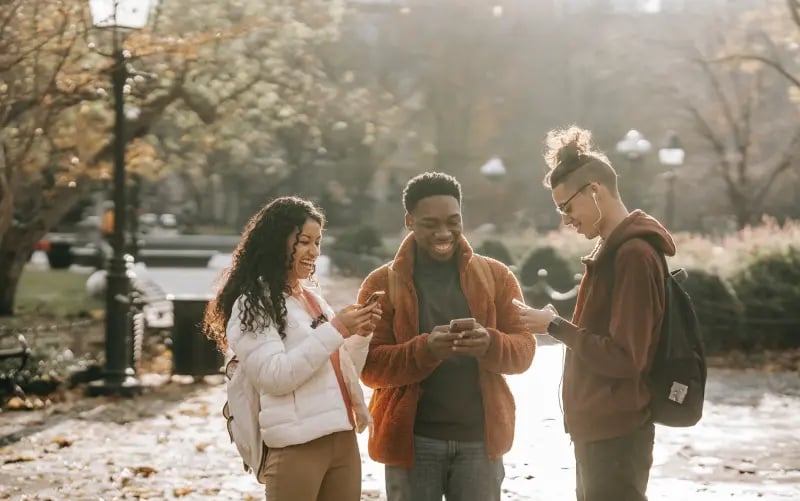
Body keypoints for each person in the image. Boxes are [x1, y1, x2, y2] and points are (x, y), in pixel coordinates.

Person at [516, 126, 677, 501]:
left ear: (594, 191)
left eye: (567, 208)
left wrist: (554, 325)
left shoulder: (633, 255)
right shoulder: (614, 250)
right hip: (601, 428)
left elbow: (625, 357)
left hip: (617, 431)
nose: (566, 220)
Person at [357, 172, 536, 501]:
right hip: (411, 444)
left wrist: (490, 343)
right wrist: (424, 349)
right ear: (410, 221)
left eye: (453, 221)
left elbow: (524, 350)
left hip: (481, 442)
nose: (444, 232)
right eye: (430, 223)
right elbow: (368, 367)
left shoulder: (496, 276)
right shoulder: (381, 283)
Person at [204, 196, 380, 501]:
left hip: (341, 437)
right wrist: (337, 328)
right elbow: (275, 376)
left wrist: (359, 334)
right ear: (277, 242)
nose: (313, 251)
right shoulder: (254, 303)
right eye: (303, 242)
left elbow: (338, 368)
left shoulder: (310, 299)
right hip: (297, 446)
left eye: (317, 242)